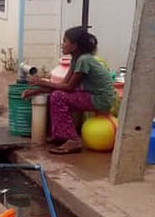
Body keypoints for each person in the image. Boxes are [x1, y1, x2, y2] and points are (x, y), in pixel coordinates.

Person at [22, 27, 116, 155]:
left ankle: (72, 140)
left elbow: (69, 88)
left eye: (65, 41)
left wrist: (41, 82)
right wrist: (34, 91)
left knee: (58, 97)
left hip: (101, 99)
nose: (62, 44)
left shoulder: (84, 60)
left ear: (74, 46)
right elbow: (62, 84)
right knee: (57, 95)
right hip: (91, 95)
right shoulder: (77, 59)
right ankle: (61, 136)